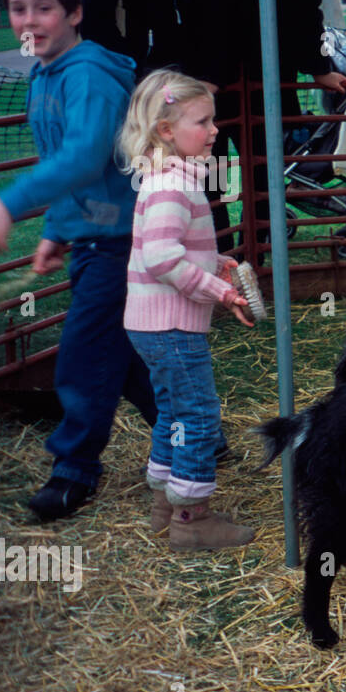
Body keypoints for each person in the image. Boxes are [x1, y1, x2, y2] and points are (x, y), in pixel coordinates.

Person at [0, 0, 156, 519]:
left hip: (123, 239)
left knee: (83, 355)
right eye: (17, 9)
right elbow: (64, 160)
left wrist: (10, 202)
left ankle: (74, 468)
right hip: (92, 237)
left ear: (75, 12)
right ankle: (194, 434)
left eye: (44, 8)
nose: (29, 21)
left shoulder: (87, 75)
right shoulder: (43, 75)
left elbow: (83, 157)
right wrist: (56, 230)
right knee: (122, 357)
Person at [119, 70, 257, 550]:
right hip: (171, 326)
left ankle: (165, 506)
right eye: (203, 121)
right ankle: (192, 520)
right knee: (198, 416)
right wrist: (218, 292)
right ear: (166, 130)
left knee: (173, 414)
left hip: (154, 324)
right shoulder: (171, 186)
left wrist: (215, 262)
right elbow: (161, 259)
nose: (215, 130)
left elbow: (170, 247)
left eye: (213, 120)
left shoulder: (171, 177)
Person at [182, 0, 346, 254]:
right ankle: (221, 253)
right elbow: (198, 7)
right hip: (216, 82)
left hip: (270, 75)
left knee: (266, 169)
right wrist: (206, 75)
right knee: (215, 167)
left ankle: (254, 253)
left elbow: (308, 3)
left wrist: (319, 67)